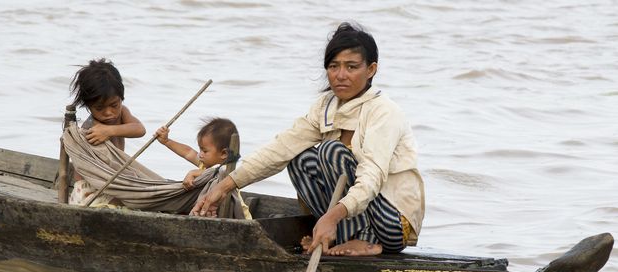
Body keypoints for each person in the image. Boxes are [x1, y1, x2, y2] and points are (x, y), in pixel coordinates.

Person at [191, 22, 425, 256]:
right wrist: (224, 186)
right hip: (346, 219)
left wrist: (330, 217)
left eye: (351, 67)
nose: (340, 75)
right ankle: (338, 237)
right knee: (299, 158)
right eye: (334, 66)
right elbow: (280, 149)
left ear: (371, 69)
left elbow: (371, 178)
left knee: (330, 151)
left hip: (391, 225)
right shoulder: (325, 108)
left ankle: (363, 240)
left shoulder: (383, 112)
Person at [67, 58, 146, 206]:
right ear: (88, 106)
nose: (109, 112)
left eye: (114, 105)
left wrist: (110, 130)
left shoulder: (122, 113)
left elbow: (140, 129)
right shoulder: (90, 130)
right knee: (130, 202)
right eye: (99, 108)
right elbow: (93, 172)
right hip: (91, 189)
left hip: (114, 181)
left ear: (121, 99)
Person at [155, 118, 252, 219]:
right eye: (200, 149)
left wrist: (193, 173)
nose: (200, 155)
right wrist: (166, 141)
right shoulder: (205, 164)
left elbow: (218, 172)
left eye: (205, 151)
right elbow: (188, 152)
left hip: (237, 216)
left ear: (224, 153)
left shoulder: (227, 168)